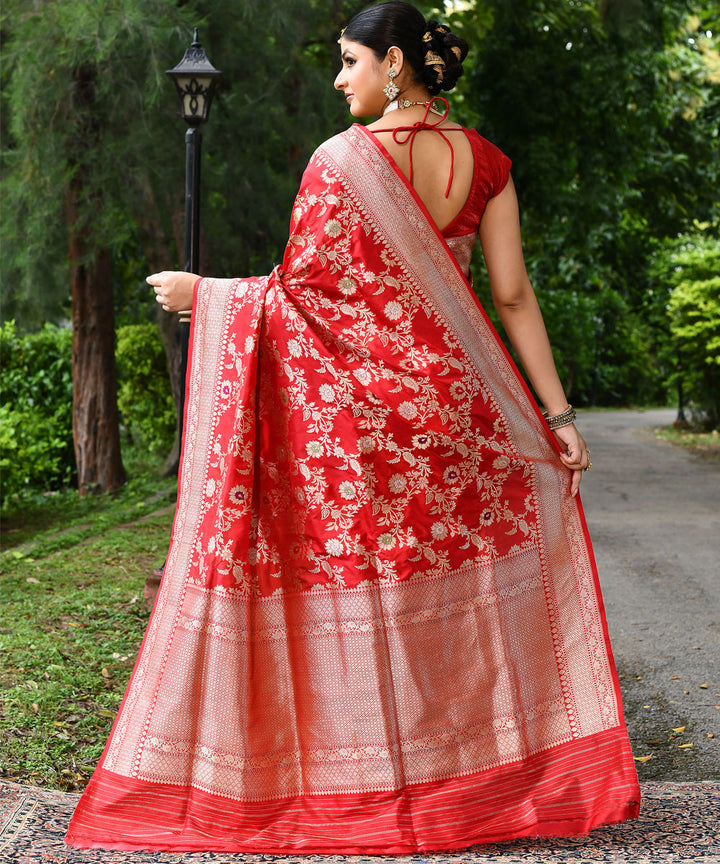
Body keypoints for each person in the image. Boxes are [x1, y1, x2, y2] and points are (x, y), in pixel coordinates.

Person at [66, 1, 640, 853]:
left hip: (366, 426)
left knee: (378, 595)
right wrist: (557, 418)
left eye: (349, 61)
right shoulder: (485, 162)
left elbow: (302, 301)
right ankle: (473, 790)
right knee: (452, 599)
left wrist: (206, 297)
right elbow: (513, 296)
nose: (341, 80)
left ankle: (376, 790)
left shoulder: (339, 163)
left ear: (393, 62)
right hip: (462, 416)